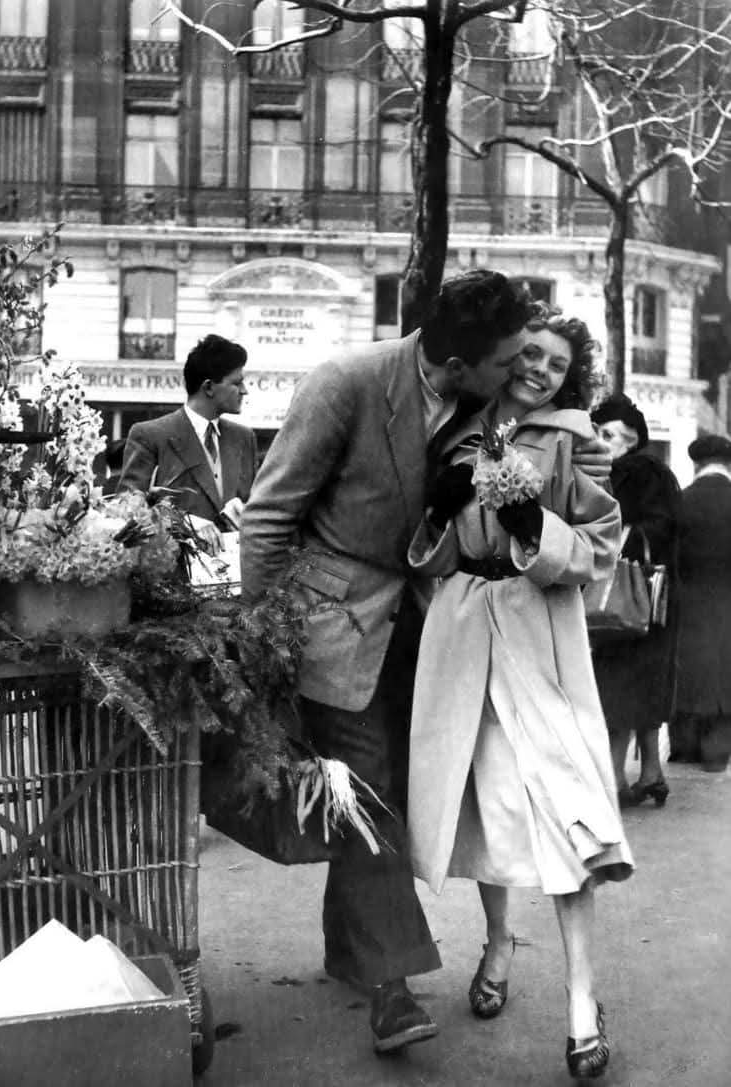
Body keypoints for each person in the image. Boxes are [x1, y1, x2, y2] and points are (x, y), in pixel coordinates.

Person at [240, 272, 613, 1056]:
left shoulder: (498, 416)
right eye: (509, 356)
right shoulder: (344, 384)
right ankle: (392, 990)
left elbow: (573, 521)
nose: (521, 369)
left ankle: (354, 949)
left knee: (387, 798)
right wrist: (265, 641)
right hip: (334, 625)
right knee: (368, 792)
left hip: (433, 631)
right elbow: (268, 518)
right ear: (459, 363)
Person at [407, 304, 633, 1080]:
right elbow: (431, 561)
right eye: (530, 355)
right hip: (466, 632)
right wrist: (438, 514)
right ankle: (499, 940)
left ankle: (581, 999)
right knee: (488, 807)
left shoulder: (578, 441)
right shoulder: (456, 430)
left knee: (568, 815)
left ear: (574, 379)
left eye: (557, 366)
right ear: (508, 354)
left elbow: (601, 548)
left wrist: (537, 525)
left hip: (539, 639)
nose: (539, 372)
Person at [589, 395, 681, 807]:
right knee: (644, 685)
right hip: (654, 598)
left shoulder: (631, 472)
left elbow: (652, 526)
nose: (610, 443)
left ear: (633, 440)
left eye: (619, 436)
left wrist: (621, 534)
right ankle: (650, 772)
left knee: (617, 688)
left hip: (621, 597)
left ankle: (613, 781)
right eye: (604, 434)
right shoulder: (656, 472)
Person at [118, 334, 258, 553]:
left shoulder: (244, 437)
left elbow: (256, 506)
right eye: (237, 382)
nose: (244, 390)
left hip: (236, 577)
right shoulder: (150, 435)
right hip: (172, 577)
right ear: (209, 387)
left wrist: (248, 514)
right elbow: (127, 512)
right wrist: (185, 523)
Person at [670, 433, 731, 772]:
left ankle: (683, 747)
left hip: (688, 599)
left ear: (696, 464)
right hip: (728, 600)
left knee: (689, 669)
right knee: (725, 668)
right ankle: (717, 750)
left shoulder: (681, 500)